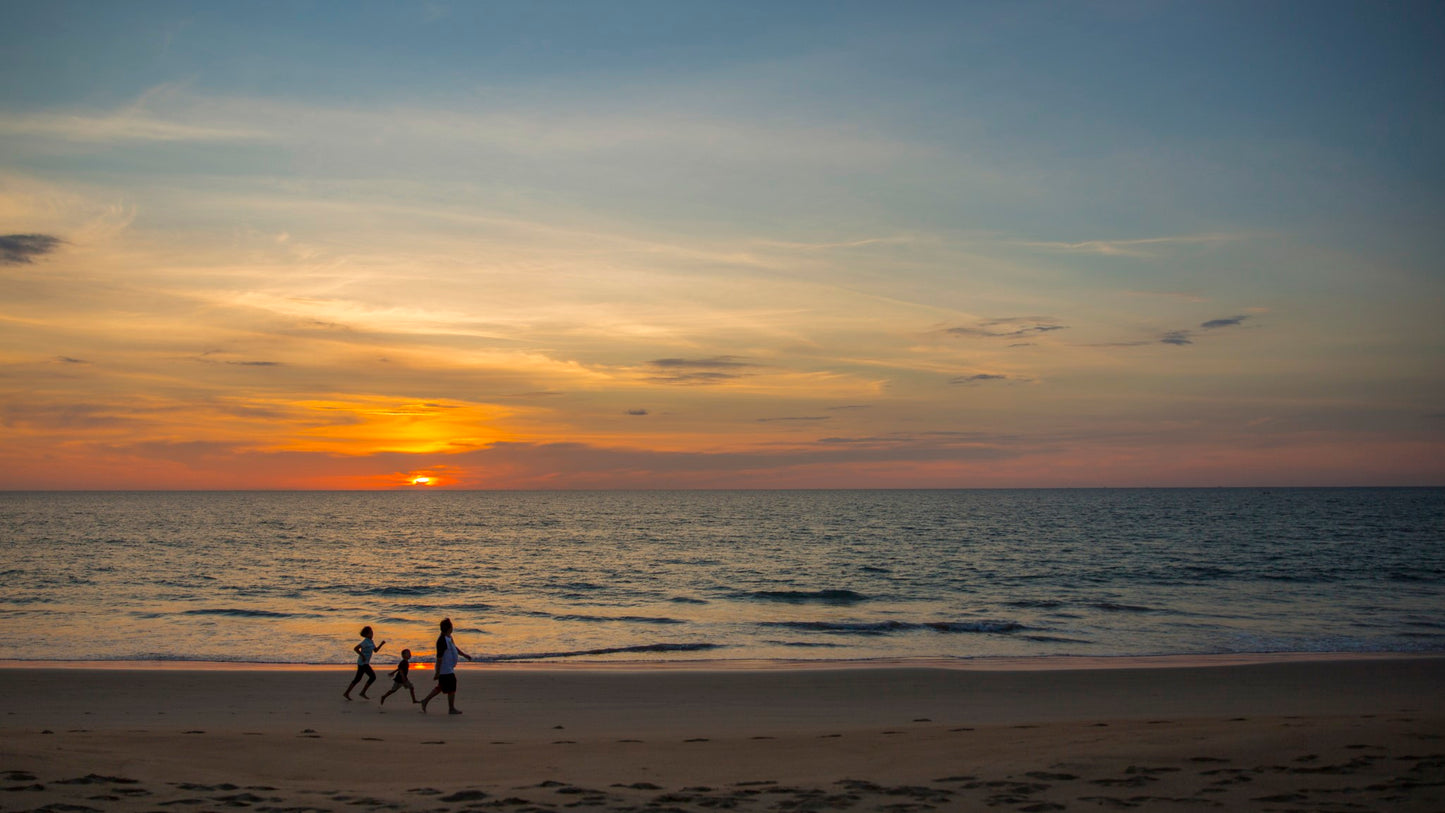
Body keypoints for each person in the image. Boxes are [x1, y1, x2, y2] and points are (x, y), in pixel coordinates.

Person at [420, 617, 472, 715]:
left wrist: (464, 655)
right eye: (451, 626)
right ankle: (451, 709)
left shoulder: (449, 638)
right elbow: (439, 658)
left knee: (441, 687)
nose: (452, 627)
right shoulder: (441, 641)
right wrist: (437, 672)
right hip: (445, 669)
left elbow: (454, 648)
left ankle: (425, 701)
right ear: (449, 628)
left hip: (448, 668)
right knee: (451, 687)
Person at [343, 625, 385, 700]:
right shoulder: (365, 642)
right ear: (366, 634)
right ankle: (361, 692)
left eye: (372, 632)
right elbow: (356, 648)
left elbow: (375, 650)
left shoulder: (371, 641)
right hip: (362, 663)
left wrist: (381, 644)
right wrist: (362, 656)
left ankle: (347, 693)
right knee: (372, 677)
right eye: (370, 633)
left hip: (365, 663)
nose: (372, 634)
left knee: (358, 679)